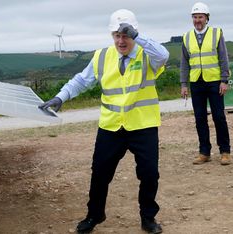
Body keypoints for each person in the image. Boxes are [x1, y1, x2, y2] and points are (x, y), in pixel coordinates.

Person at [39, 9, 169, 234]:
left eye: (126, 35)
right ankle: (94, 215)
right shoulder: (102, 56)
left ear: (134, 34)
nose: (121, 40)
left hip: (143, 125)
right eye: (116, 35)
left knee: (149, 174)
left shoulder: (147, 55)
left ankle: (148, 218)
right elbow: (81, 80)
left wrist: (138, 37)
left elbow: (164, 55)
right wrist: (61, 96)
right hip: (110, 127)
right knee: (100, 173)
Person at [180, 2, 231, 165]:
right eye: (194, 17)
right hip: (196, 82)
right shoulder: (186, 37)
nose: (197, 20)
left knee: (218, 116)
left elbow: (223, 57)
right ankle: (204, 152)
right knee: (199, 118)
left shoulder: (216, 33)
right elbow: (184, 63)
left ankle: (225, 151)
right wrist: (183, 84)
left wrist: (224, 80)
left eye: (200, 17)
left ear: (207, 18)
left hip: (215, 82)